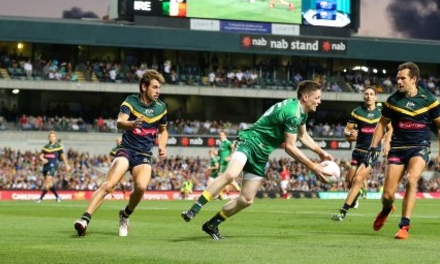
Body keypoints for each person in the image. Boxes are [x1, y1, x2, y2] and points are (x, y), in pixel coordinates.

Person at [181, 80, 332, 240]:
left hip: (261, 154)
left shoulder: (300, 112)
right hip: (249, 142)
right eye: (317, 97)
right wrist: (313, 166)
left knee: (246, 200)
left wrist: (320, 152)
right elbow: (290, 147)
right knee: (231, 174)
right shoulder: (292, 113)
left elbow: (303, 136)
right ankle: (194, 209)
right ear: (306, 97)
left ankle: (212, 224)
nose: (319, 101)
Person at [74, 69, 168, 238]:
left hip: (144, 154)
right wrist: (132, 124)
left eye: (159, 88)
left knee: (141, 187)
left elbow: (164, 130)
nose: (158, 91)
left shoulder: (161, 107)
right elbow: (119, 123)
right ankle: (84, 220)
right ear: (144, 87)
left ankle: (124, 216)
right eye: (155, 87)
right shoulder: (131, 102)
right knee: (109, 185)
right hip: (127, 150)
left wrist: (162, 145)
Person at [367, 62, 440, 240]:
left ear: (414, 79)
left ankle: (404, 226)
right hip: (398, 148)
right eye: (397, 78)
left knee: (412, 180)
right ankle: (387, 209)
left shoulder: (429, 99)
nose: (399, 81)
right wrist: (374, 147)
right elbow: (382, 124)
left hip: (420, 147)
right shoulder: (393, 100)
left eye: (403, 78)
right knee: (388, 195)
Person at [332, 87, 392, 221]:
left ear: (376, 97)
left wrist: (386, 142)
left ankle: (342, 212)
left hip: (372, 151)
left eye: (371, 94)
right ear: (363, 97)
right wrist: (350, 134)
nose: (369, 96)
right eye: (366, 94)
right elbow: (347, 132)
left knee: (358, 179)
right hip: (358, 151)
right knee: (349, 182)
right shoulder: (356, 112)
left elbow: (390, 129)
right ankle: (356, 195)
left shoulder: (382, 113)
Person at [37, 130, 71, 202]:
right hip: (45, 166)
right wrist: (43, 159)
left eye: (53, 136)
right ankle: (57, 197)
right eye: (51, 136)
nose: (52, 138)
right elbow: (40, 156)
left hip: (53, 165)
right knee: (48, 184)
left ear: (55, 138)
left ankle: (40, 198)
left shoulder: (58, 146)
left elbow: (63, 156)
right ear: (48, 138)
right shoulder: (46, 146)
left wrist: (67, 165)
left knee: (48, 181)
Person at [218, 130, 240, 197]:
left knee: (221, 178)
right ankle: (238, 189)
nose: (220, 136)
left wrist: (230, 157)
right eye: (220, 135)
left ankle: (220, 194)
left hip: (224, 163)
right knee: (227, 179)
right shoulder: (221, 144)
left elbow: (233, 148)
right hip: (221, 162)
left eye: (222, 135)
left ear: (225, 135)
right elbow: (220, 154)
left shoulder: (227, 142)